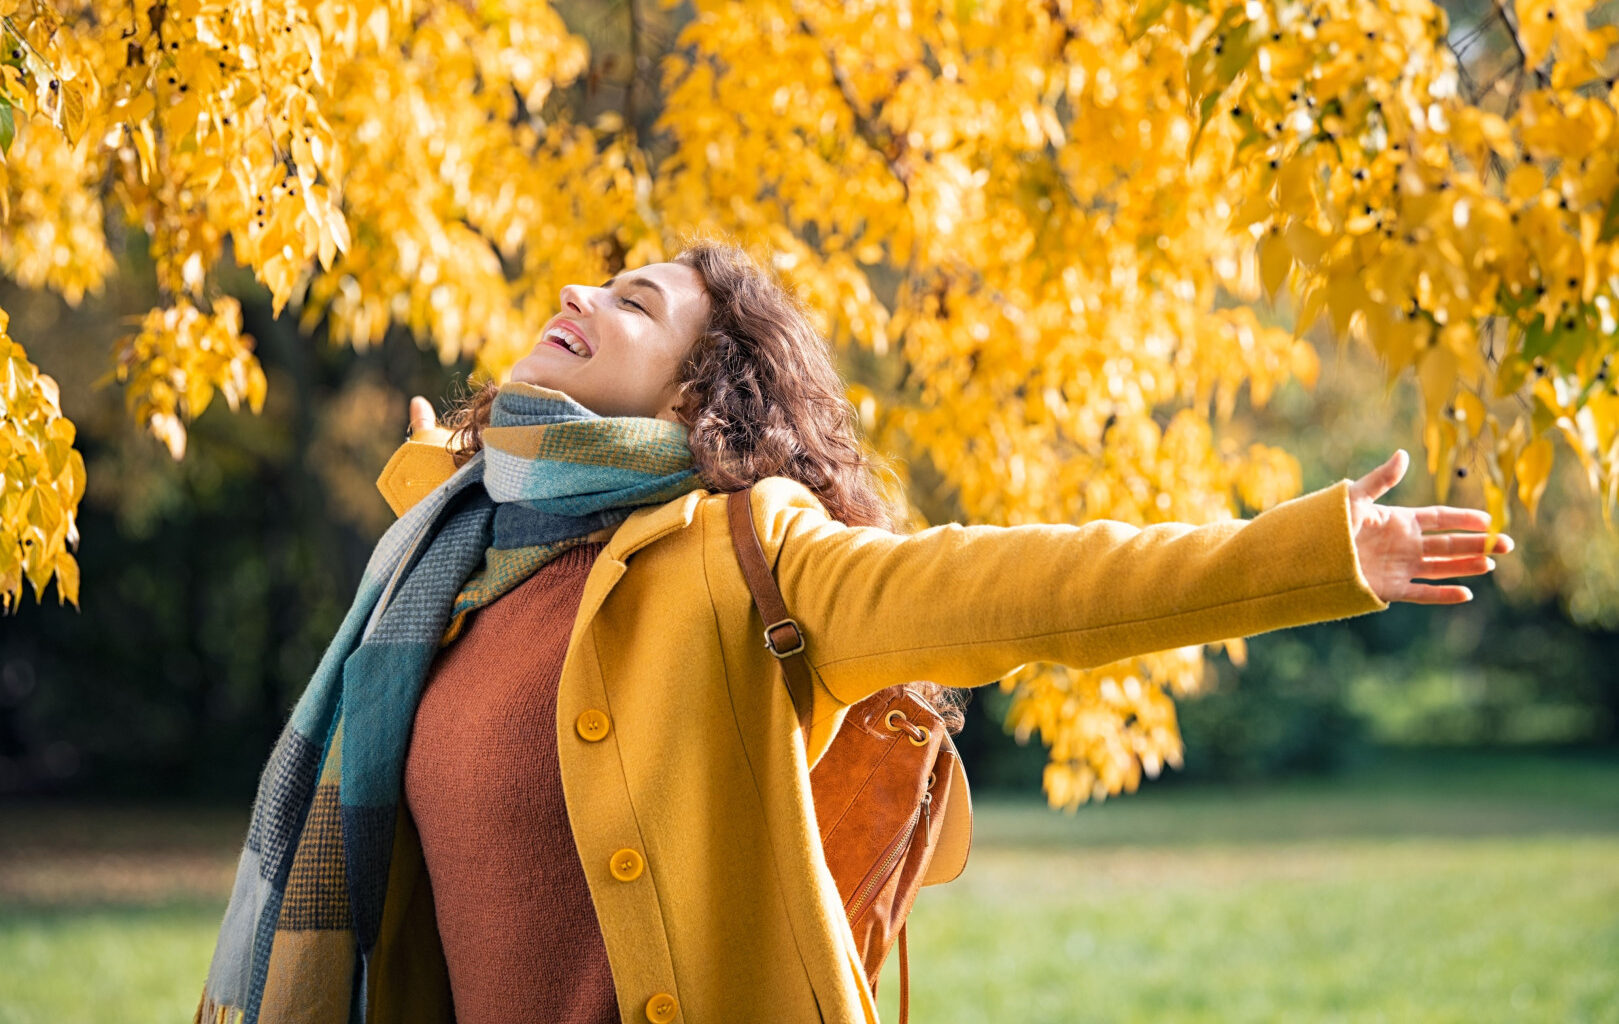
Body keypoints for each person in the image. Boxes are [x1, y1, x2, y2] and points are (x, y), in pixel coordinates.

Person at [197, 241, 1513, 1024]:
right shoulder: (444, 570)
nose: (585, 295)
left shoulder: (747, 556)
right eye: (605, 280)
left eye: (637, 304)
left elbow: (1026, 590)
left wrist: (1307, 555)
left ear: (698, 394)